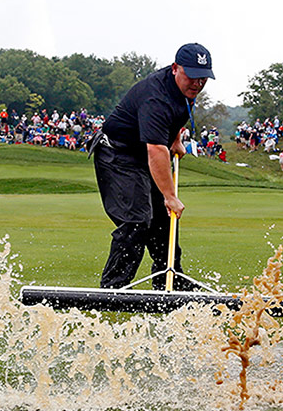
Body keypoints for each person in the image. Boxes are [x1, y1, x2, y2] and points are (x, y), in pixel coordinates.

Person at [90, 43, 215, 289]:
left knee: (164, 220)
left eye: (203, 78)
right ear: (175, 68)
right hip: (118, 154)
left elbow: (178, 116)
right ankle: (113, 287)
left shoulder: (187, 91)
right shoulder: (155, 97)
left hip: (142, 153)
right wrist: (169, 196)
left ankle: (169, 281)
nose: (197, 84)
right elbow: (156, 150)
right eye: (191, 76)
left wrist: (176, 139)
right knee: (137, 219)